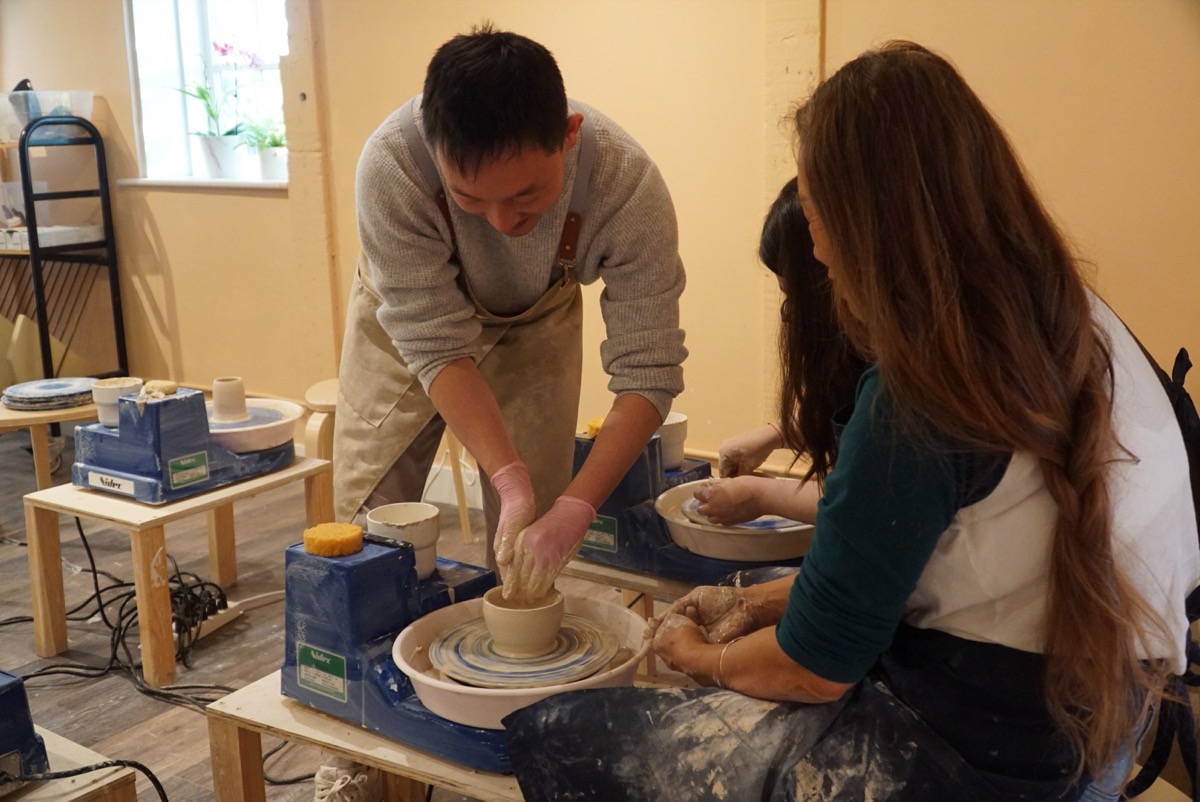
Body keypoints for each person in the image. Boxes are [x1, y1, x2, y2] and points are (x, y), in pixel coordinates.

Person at [503, 41, 1200, 801]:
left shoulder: (922, 393)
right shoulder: (1070, 310)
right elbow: (934, 562)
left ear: (872, 219)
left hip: (997, 753)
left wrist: (698, 655)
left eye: (814, 202)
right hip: (1104, 705)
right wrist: (752, 600)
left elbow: (813, 669)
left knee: (570, 735)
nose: (811, 235)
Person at [333, 23, 686, 602]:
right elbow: (436, 343)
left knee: (531, 538)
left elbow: (649, 370)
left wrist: (575, 505)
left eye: (525, 195)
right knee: (370, 525)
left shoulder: (626, 184)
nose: (500, 222)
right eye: (468, 199)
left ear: (569, 135)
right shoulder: (392, 165)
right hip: (407, 328)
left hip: (536, 317)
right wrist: (505, 473)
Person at [694, 176, 868, 529]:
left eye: (795, 296)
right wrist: (778, 433)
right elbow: (860, 432)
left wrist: (763, 495)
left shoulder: (901, 364)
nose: (791, 314)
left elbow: (872, 504)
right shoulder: (861, 354)